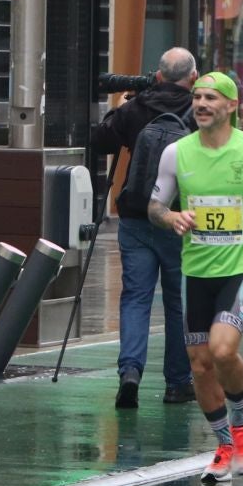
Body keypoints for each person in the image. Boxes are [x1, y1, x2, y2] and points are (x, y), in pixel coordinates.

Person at [146, 71, 243, 483]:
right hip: (196, 269)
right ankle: (224, 445)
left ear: (231, 106)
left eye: (211, 98)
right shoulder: (176, 153)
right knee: (200, 365)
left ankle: (241, 424)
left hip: (241, 267)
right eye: (197, 97)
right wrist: (171, 217)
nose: (201, 104)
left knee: (223, 350)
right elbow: (154, 206)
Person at [90, 47, 197, 409]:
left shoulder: (136, 108)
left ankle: (130, 372)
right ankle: (177, 383)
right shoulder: (199, 110)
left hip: (135, 216)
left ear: (159, 75)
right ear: (193, 78)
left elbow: (100, 141)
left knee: (135, 297)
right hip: (180, 219)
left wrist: (121, 106)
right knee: (178, 302)